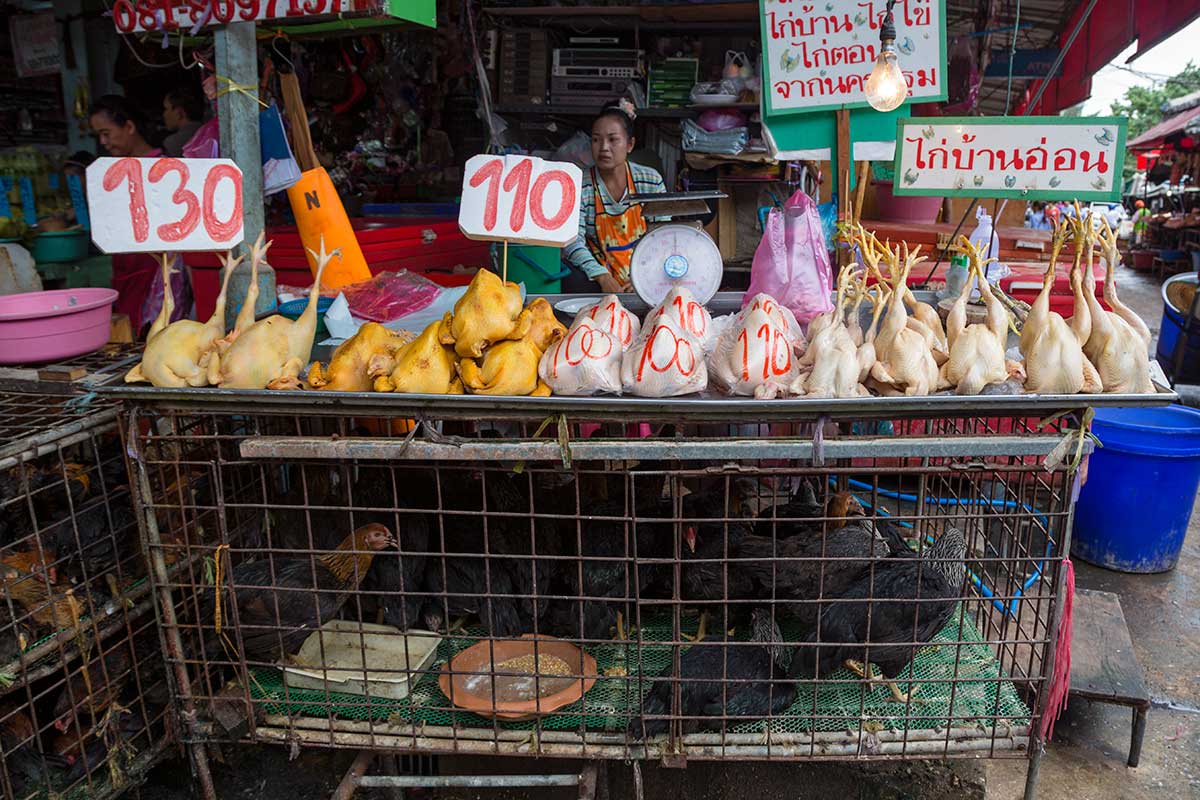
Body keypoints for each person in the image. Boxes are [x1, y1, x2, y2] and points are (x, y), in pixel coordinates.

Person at [89, 95, 193, 336]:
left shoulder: (164, 168)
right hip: (127, 273)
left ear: (129, 126)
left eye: (107, 132)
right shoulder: (110, 173)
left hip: (159, 274)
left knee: (158, 337)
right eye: (99, 135)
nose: (103, 141)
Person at [562, 100, 666, 293]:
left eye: (613, 139)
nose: (603, 147)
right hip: (597, 276)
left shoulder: (650, 180)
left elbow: (661, 237)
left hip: (645, 273)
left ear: (630, 144)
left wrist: (642, 277)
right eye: (596, 139)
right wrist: (602, 277)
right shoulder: (580, 183)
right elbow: (573, 240)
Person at [162, 86, 206, 157]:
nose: (164, 114)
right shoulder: (209, 132)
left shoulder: (173, 143)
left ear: (178, 112)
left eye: (166, 109)